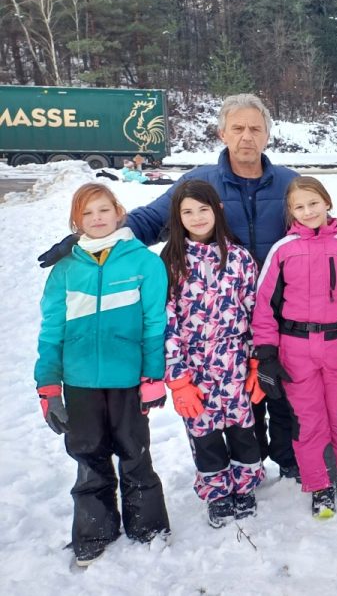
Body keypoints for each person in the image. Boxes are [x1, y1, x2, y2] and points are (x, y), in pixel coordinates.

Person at [37, 94, 337, 482]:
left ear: (267, 135)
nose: (247, 136)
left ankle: (294, 460)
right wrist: (91, 240)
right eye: (238, 128)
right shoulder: (199, 181)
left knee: (285, 394)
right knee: (242, 399)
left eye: (255, 129)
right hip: (222, 318)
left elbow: (317, 218)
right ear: (222, 133)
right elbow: (148, 221)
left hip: (283, 314)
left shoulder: (287, 181)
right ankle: (248, 463)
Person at [33, 183, 170, 567]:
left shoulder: (144, 262)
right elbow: (50, 331)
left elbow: (154, 323)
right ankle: (95, 530)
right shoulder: (65, 269)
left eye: (103, 210)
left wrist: (152, 376)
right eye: (88, 212)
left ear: (118, 211)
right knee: (88, 455)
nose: (97, 218)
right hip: (79, 384)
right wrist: (48, 387)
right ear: (77, 220)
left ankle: (148, 527)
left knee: (134, 452)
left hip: (128, 381)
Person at [251, 176, 337, 518]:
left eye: (313, 203)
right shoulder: (282, 251)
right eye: (299, 206)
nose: (308, 211)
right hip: (294, 348)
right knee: (307, 420)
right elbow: (264, 305)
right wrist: (265, 354)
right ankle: (319, 485)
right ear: (291, 212)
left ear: (327, 202)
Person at [161, 180, 266, 528]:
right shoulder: (172, 261)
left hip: (234, 359)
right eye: (187, 211)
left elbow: (254, 313)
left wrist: (256, 362)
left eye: (203, 209)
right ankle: (217, 491)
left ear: (217, 211)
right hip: (194, 366)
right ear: (178, 217)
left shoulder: (239, 258)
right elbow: (167, 322)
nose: (197, 217)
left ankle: (245, 484)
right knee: (203, 432)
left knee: (242, 427)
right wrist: (177, 379)